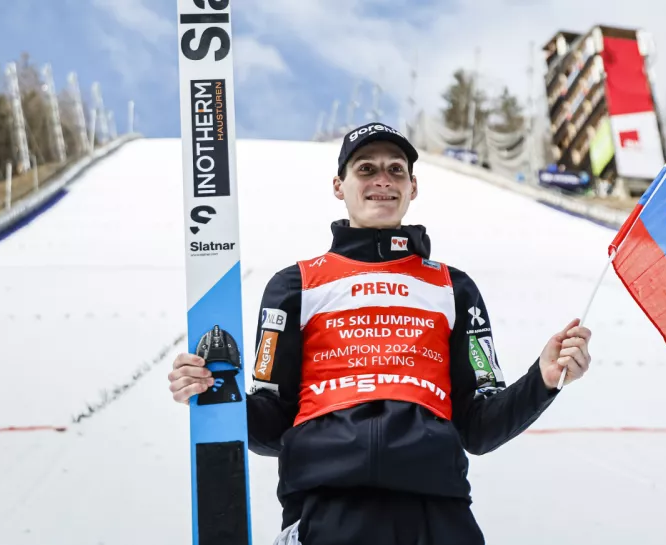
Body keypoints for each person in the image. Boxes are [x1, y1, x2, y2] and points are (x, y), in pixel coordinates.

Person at [167, 122, 593, 545]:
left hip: (437, 510)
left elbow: (479, 427)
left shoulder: (452, 287)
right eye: (366, 169)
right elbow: (273, 422)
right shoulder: (295, 285)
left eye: (396, 170)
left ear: (413, 187)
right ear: (339, 185)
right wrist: (218, 391)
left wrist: (543, 379)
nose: (383, 181)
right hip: (325, 507)